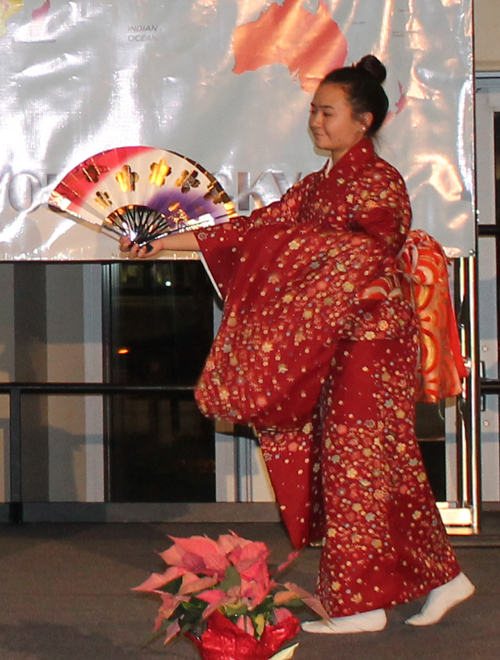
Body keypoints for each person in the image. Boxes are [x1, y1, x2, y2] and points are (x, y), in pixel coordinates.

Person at [120, 55, 475, 634]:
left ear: (363, 121)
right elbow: (253, 230)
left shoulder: (378, 182)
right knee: (388, 466)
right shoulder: (318, 187)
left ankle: (361, 605)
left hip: (371, 340)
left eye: (327, 112)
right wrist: (164, 241)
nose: (315, 121)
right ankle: (446, 577)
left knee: (354, 466)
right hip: (340, 340)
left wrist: (296, 247)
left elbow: (371, 258)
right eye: (313, 110)